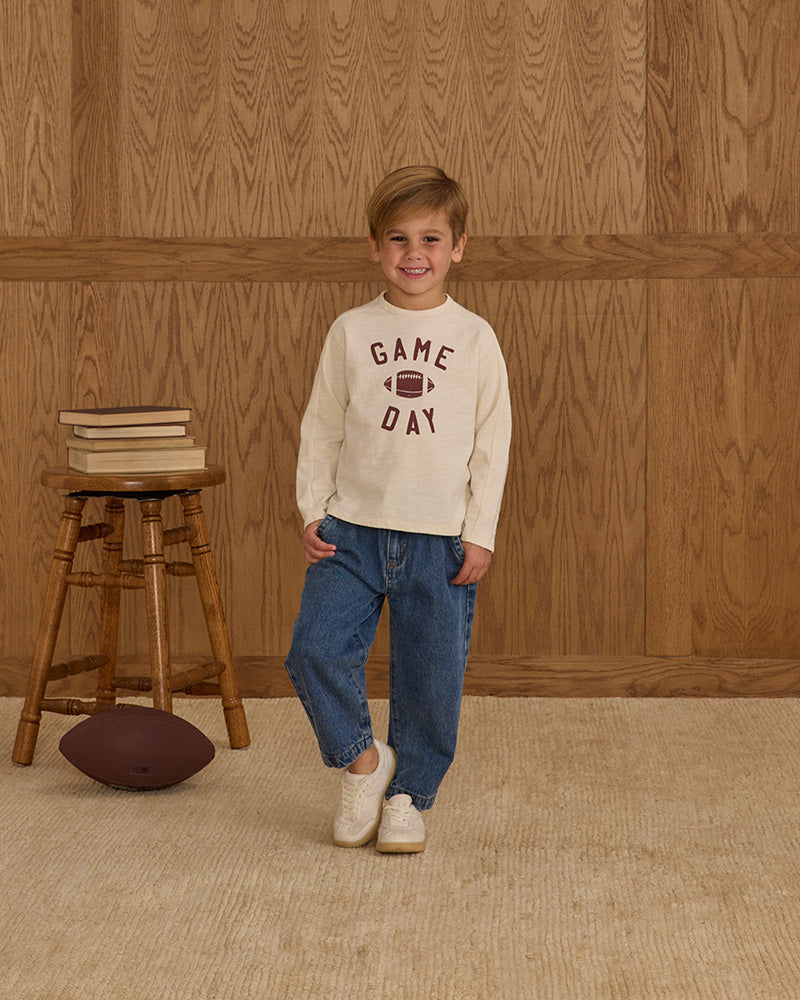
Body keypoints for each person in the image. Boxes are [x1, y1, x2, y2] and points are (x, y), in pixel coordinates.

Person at [285, 165, 512, 853]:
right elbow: (321, 426)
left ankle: (409, 794)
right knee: (314, 651)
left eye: (432, 240)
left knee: (430, 677)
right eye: (399, 239)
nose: (415, 255)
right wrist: (311, 510)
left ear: (459, 247)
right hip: (350, 531)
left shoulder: (475, 339)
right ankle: (363, 762)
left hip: (439, 538)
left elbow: (491, 443)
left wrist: (480, 533)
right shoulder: (351, 331)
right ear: (375, 248)